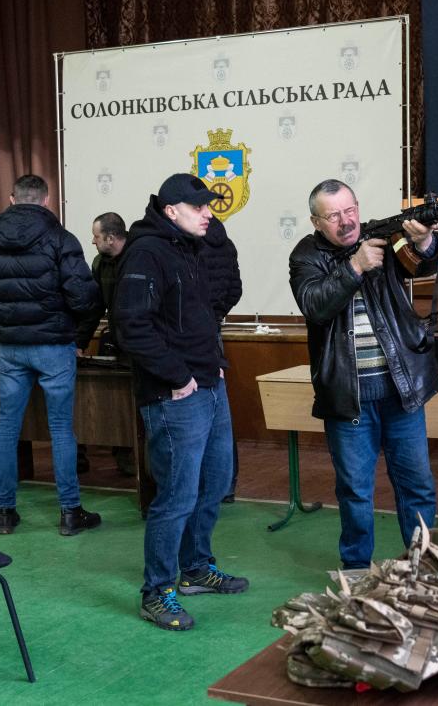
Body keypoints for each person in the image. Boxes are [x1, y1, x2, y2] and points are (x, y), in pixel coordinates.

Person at [288, 178, 438, 570]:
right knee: (356, 492)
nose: (346, 221)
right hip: (348, 395)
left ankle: (423, 564)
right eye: (334, 215)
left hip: (400, 390)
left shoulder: (383, 237)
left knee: (417, 486)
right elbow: (315, 306)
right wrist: (355, 267)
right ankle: (356, 571)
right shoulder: (305, 256)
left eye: (351, 210)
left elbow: (423, 265)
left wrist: (424, 241)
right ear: (315, 222)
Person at [116, 173, 248, 631]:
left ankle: (195, 569)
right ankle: (157, 591)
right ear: (171, 210)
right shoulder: (147, 252)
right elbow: (131, 326)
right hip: (177, 394)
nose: (209, 213)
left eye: (208, 206)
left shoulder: (189, 247)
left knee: (214, 482)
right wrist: (178, 377)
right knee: (176, 496)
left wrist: (206, 368)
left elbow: (203, 314)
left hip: (210, 383)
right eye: (199, 207)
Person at [0, 174, 102, 536]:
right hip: (54, 344)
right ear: (46, 199)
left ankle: (5, 512)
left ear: (11, 199)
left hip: (9, 346)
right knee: (59, 428)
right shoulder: (61, 239)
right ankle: (70, 512)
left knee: (7, 427)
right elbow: (83, 297)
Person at [73, 211, 134, 477]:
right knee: (112, 402)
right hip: (114, 338)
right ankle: (120, 454)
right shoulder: (100, 262)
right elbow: (94, 306)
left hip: (140, 342)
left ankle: (134, 459)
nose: (93, 241)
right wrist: (80, 342)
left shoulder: (140, 256)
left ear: (110, 238)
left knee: (134, 404)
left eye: (96, 237)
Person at [198, 216, 242, 502]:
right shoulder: (225, 243)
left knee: (197, 415)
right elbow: (234, 291)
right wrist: (215, 315)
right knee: (220, 416)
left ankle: (205, 487)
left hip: (189, 334)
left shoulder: (184, 244)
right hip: (212, 330)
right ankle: (226, 486)